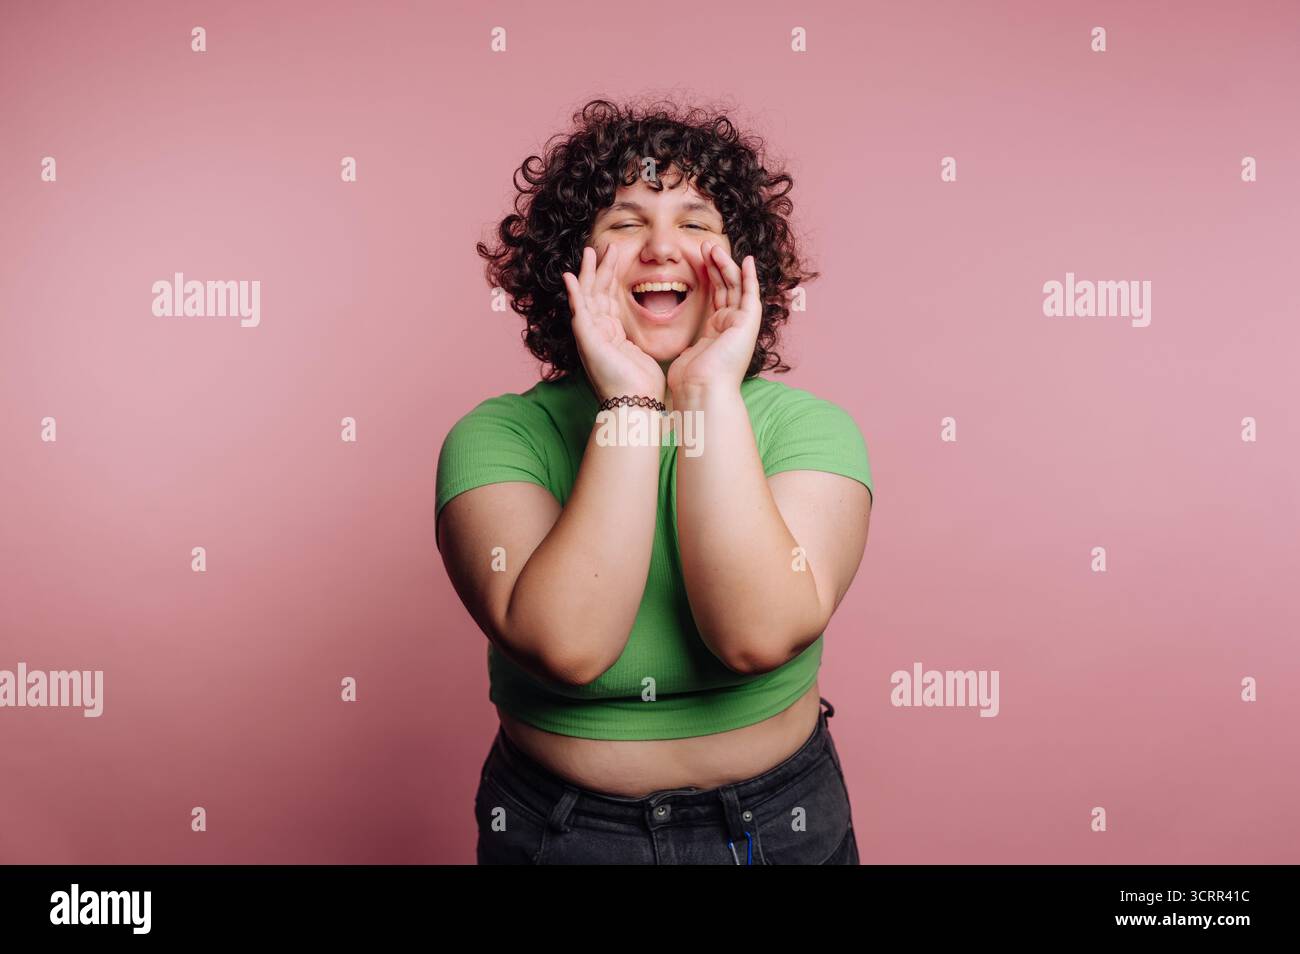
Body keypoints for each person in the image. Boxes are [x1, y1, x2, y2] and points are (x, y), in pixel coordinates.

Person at [436, 98, 874, 864]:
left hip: (776, 827)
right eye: (626, 223)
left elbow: (757, 636)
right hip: (562, 833)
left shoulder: (810, 430)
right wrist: (634, 403)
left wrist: (705, 390)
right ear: (575, 263)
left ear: (744, 266)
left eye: (696, 223)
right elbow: (568, 646)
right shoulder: (497, 437)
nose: (662, 248)